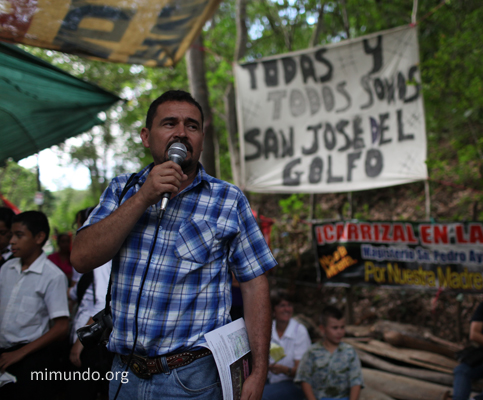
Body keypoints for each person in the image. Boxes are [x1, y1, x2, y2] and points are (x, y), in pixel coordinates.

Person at [71, 89, 277, 400]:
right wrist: (143, 197)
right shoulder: (121, 189)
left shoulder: (228, 199)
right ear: (146, 136)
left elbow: (254, 285)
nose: (181, 132)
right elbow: (82, 257)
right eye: (169, 123)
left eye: (192, 126)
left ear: (201, 138)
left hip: (193, 379)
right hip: (124, 375)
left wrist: (259, 371)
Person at [0, 211, 70, 400]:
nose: (12, 241)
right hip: (3, 355)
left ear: (39, 237)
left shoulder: (52, 276)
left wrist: (18, 354)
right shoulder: (7, 268)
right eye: (11, 235)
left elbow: (62, 326)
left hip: (29, 357)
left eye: (19, 235)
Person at [65, 206, 112, 400]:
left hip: (91, 344)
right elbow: (77, 294)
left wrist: (80, 341)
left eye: (80, 225)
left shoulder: (102, 259)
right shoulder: (90, 261)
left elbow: (102, 304)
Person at [295, 306, 362, 400]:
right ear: (322, 329)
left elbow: (356, 382)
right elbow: (305, 380)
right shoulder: (312, 352)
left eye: (342, 327)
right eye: (335, 328)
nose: (339, 332)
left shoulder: (349, 352)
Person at [262, 289, 311, 400]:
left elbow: (302, 372)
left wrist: (284, 370)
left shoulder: (299, 331)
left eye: (289, 305)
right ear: (273, 310)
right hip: (270, 380)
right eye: (282, 305)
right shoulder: (268, 328)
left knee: (262, 396)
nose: (287, 309)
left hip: (294, 383)